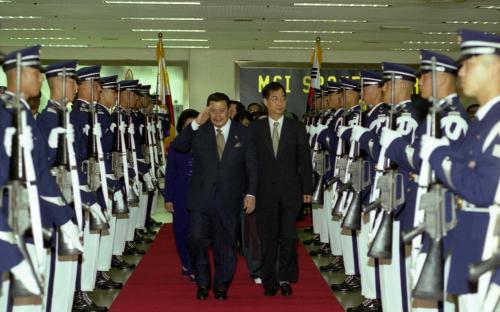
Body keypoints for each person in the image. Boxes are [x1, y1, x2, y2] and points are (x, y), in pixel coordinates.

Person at [420, 28, 500, 312]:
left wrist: (437, 154)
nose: (461, 72)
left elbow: (483, 188)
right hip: (469, 238)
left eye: (469, 63)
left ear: (495, 68)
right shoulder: (484, 120)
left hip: (486, 243)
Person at [172, 92, 257, 300]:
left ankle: (221, 285)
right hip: (201, 199)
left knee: (226, 245)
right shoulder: (198, 130)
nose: (217, 116)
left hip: (230, 199)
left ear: (229, 111)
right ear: (207, 110)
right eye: (213, 111)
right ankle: (202, 283)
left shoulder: (243, 133)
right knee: (197, 240)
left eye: (221, 111)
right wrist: (194, 125)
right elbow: (178, 146)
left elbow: (252, 166)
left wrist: (251, 193)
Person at [249, 81, 312, 297]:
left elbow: (305, 160)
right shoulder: (255, 128)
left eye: (283, 98)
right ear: (265, 102)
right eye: (275, 99)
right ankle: (269, 280)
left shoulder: (296, 127)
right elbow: (250, 162)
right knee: (267, 239)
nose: (280, 102)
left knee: (288, 237)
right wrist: (249, 191)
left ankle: (285, 278)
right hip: (264, 193)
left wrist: (307, 189)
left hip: (290, 192)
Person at [164, 108, 199, 281]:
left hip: (200, 195)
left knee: (197, 233)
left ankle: (195, 264)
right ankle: (187, 264)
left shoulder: (205, 143)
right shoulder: (176, 144)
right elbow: (170, 173)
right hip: (180, 194)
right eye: (188, 126)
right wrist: (168, 198)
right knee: (181, 232)